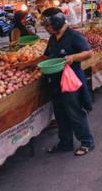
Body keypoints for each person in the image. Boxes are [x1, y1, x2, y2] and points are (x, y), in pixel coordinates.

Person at [34, 8, 95, 156]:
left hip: (71, 82)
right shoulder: (53, 38)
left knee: (74, 112)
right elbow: (46, 56)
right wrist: (25, 64)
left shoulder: (73, 35)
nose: (46, 29)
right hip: (55, 82)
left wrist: (73, 58)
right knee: (60, 114)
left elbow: (88, 53)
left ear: (56, 22)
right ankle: (65, 143)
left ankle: (87, 142)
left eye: (48, 26)